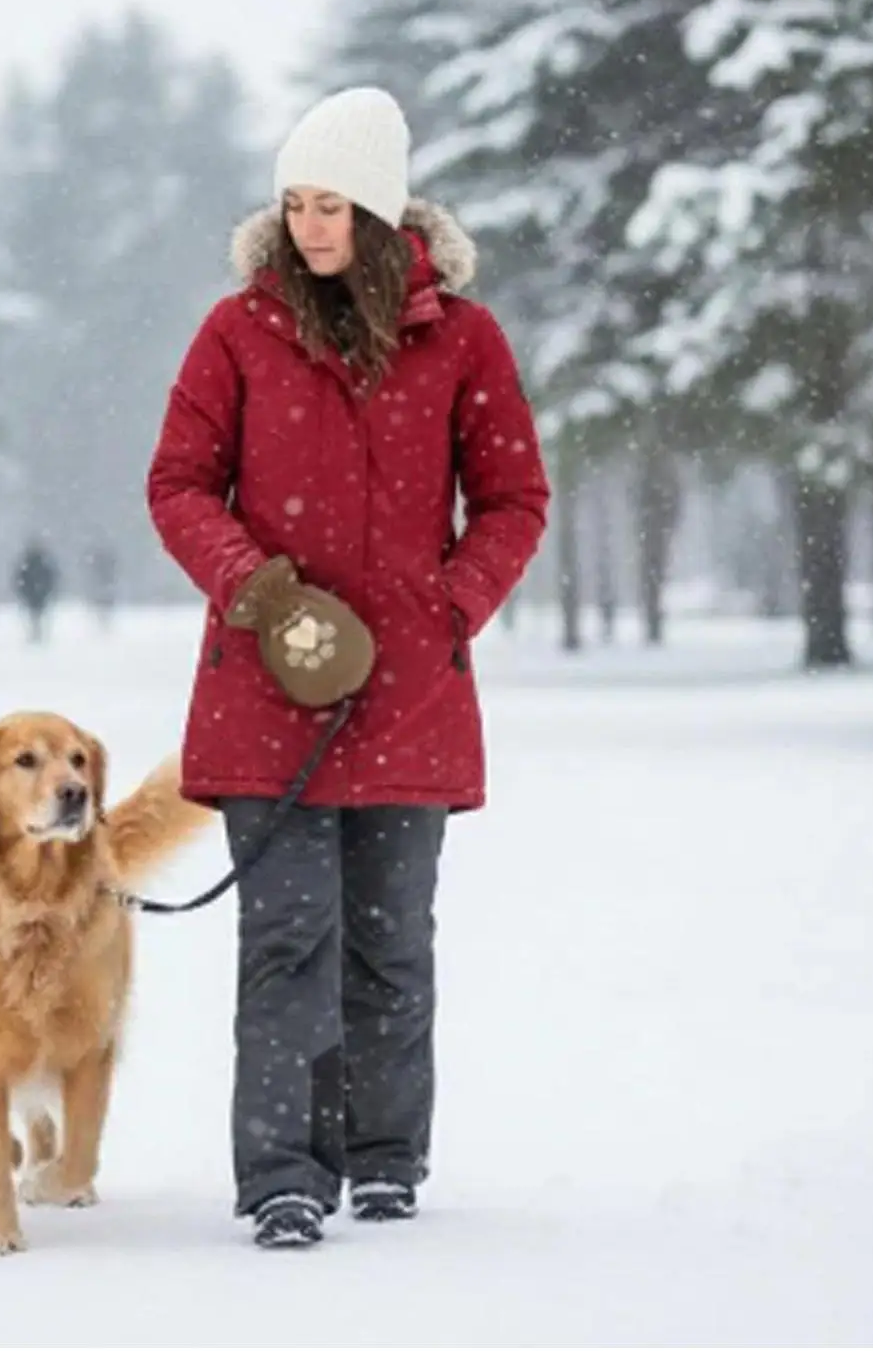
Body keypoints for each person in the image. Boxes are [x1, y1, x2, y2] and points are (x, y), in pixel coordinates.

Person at [146, 87, 550, 1250]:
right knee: (286, 935)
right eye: (293, 203)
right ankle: (280, 1170)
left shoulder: (462, 338)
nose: (307, 225)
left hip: (411, 691)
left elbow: (514, 497)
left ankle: (382, 1158)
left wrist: (448, 602)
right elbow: (176, 483)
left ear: (378, 213)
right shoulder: (235, 329)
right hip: (265, 686)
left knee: (389, 938)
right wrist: (259, 590)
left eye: (329, 204)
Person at [12, 538, 60, 643]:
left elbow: (21, 578)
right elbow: (50, 577)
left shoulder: (29, 562)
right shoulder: (41, 562)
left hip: (35, 593)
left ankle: (36, 634)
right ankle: (37, 633)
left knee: (35, 615)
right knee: (36, 615)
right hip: (37, 593)